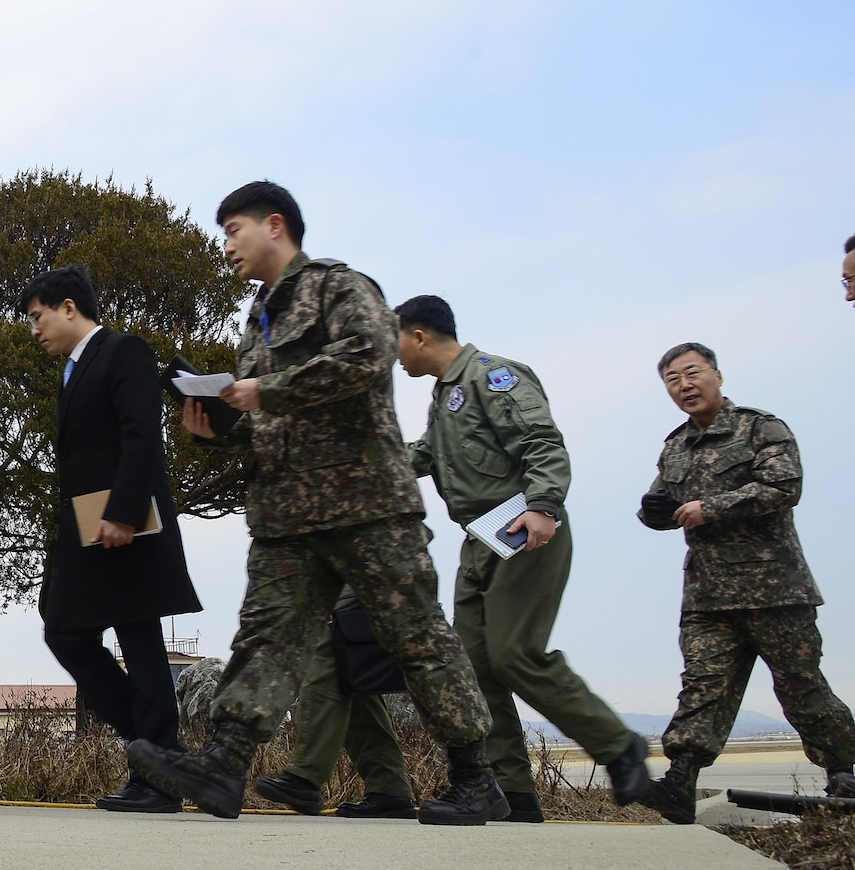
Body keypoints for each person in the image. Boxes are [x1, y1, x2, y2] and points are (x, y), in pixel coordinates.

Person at [126, 181, 504, 824]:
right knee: (265, 640)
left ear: (276, 225)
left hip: (367, 506)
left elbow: (368, 356)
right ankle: (224, 764)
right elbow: (267, 418)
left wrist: (263, 389)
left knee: (417, 641)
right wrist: (221, 426)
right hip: (288, 518)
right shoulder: (257, 317)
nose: (227, 246)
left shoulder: (340, 287)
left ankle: (476, 777)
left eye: (233, 230)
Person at [262, 296, 651, 822]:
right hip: (481, 539)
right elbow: (424, 454)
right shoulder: (446, 396)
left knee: (516, 655)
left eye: (393, 342)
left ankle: (618, 746)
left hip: (522, 527)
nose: (391, 356)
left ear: (419, 335)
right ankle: (512, 793)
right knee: (476, 672)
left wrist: (543, 506)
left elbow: (541, 441)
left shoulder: (495, 377)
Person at [639, 343, 855, 821]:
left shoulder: (760, 427)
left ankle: (844, 774)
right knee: (702, 686)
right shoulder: (675, 445)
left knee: (801, 686)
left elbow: (784, 486)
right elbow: (660, 506)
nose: (684, 385)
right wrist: (651, 513)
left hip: (774, 588)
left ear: (716, 374)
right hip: (708, 596)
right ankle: (681, 779)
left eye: (692, 373)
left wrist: (710, 507)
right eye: (673, 380)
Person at [20, 266, 200, 814]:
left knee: (140, 643)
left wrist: (123, 512)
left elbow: (142, 435)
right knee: (64, 632)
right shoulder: (71, 373)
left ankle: (157, 776)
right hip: (86, 527)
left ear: (69, 307)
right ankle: (160, 754)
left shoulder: (124, 351)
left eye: (37, 317)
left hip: (127, 525)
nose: (34, 330)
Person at [256, 591, 420, 819]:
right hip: (354, 574)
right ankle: (389, 789)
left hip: (351, 570)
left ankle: (304, 777)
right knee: (352, 678)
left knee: (328, 653)